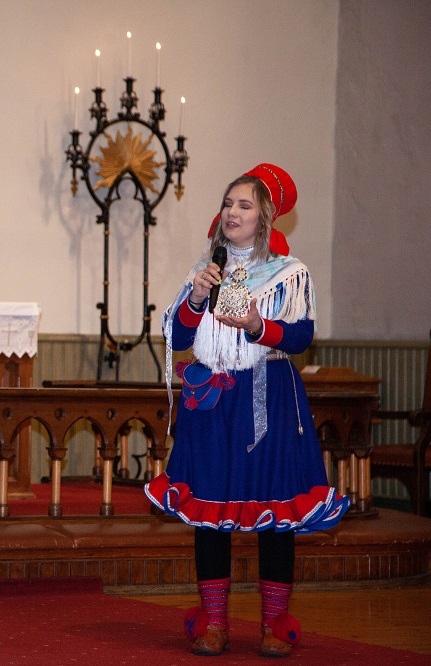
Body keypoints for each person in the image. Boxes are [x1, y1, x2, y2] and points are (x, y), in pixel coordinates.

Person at [144, 164, 350, 658]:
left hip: (267, 399)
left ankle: (274, 625)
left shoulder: (289, 273)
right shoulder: (206, 269)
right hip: (213, 404)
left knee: (275, 510)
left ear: (265, 217)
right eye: (228, 203)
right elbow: (178, 338)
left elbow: (301, 337)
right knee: (209, 511)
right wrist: (195, 296)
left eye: (244, 205)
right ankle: (213, 624)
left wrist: (259, 323)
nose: (231, 212)